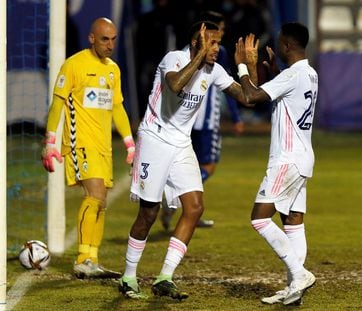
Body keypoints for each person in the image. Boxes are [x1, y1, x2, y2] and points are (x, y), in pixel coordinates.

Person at [118, 22, 258, 300]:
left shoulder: (215, 71)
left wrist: (247, 67)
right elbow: (175, 84)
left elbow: (248, 97)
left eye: (219, 44)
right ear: (197, 42)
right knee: (149, 213)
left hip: (181, 143)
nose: (218, 49)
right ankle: (128, 276)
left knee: (194, 208)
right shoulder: (174, 58)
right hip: (155, 138)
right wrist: (198, 56)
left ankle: (165, 277)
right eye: (213, 43)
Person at [41, 17, 135, 278]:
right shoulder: (74, 65)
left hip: (104, 146)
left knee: (101, 202)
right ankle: (82, 259)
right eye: (105, 39)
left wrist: (129, 144)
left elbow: (117, 108)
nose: (110, 45)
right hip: (79, 142)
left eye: (114, 39)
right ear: (92, 38)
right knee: (94, 196)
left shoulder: (113, 70)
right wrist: (49, 143)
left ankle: (91, 258)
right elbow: (58, 104)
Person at [234, 22, 317, 305]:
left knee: (259, 218)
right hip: (303, 156)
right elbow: (288, 94)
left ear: (287, 46)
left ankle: (299, 273)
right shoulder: (309, 73)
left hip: (286, 159)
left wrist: (243, 66)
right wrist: (274, 73)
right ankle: (295, 289)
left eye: (280, 42)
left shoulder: (293, 75)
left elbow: (250, 96)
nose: (278, 45)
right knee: (293, 221)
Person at [159, 10, 245, 230]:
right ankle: (176, 200)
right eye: (219, 31)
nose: (221, 38)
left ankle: (187, 206)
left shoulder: (186, 53)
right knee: (208, 166)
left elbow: (237, 89)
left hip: (186, 121)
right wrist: (236, 117)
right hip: (205, 120)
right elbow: (229, 89)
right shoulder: (214, 54)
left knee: (191, 165)